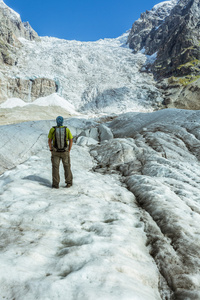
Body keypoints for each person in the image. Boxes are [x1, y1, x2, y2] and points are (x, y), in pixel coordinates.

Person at [48, 116, 73, 188]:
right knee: (67, 167)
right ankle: (69, 183)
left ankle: (56, 184)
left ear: (56, 121)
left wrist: (51, 149)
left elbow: (49, 141)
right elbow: (71, 140)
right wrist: (69, 149)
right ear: (62, 121)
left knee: (55, 168)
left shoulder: (52, 129)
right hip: (65, 151)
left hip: (55, 151)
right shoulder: (67, 129)